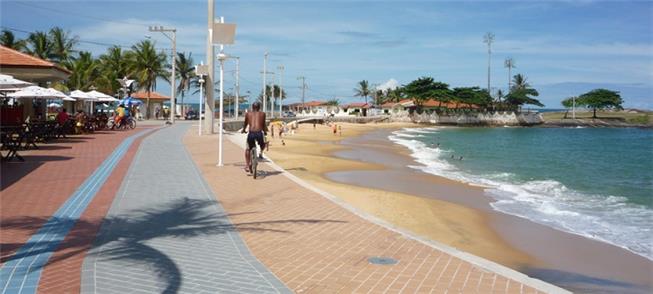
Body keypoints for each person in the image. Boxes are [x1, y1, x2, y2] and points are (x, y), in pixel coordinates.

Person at [241, 102, 268, 173]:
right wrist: (265, 132)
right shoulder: (263, 114)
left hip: (251, 133)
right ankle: (260, 153)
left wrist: (243, 130)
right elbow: (263, 124)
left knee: (248, 148)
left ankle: (247, 165)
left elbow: (245, 123)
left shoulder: (248, 114)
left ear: (252, 107)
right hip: (259, 133)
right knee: (263, 144)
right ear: (259, 107)